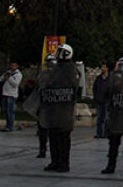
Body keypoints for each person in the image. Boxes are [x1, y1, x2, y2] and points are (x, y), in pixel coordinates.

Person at [41, 43, 80, 173]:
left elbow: (73, 87)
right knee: (53, 136)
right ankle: (55, 161)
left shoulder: (71, 70)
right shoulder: (56, 68)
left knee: (63, 137)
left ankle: (63, 162)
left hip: (64, 108)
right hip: (54, 106)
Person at [0, 61, 22, 132]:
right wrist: (5, 75)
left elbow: (15, 84)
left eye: (14, 66)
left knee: (10, 111)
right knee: (6, 111)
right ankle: (7, 125)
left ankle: (10, 126)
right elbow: (0, 80)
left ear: (17, 67)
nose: (12, 67)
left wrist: (10, 77)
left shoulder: (18, 74)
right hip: (5, 94)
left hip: (12, 95)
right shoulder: (8, 72)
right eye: (11, 65)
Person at [93, 62, 110, 139]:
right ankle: (99, 133)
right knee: (99, 118)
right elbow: (95, 88)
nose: (102, 69)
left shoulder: (110, 78)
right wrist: (96, 97)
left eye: (104, 67)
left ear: (107, 68)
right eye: (102, 67)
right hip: (99, 100)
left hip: (107, 100)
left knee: (106, 118)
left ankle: (106, 133)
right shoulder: (98, 78)